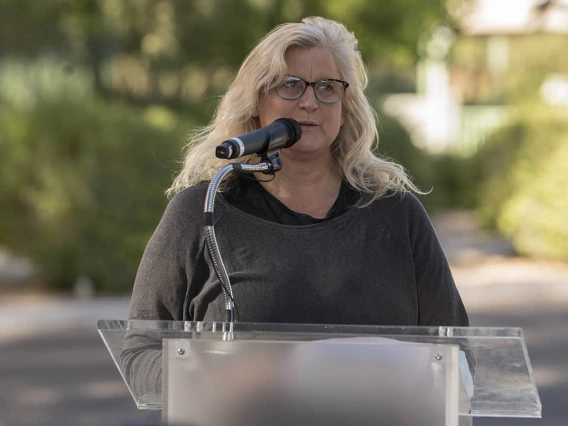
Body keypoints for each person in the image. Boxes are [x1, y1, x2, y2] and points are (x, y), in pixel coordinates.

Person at [128, 16, 469, 328]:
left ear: (345, 107)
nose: (309, 102)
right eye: (290, 85)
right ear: (256, 102)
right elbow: (144, 347)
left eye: (327, 87)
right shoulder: (202, 212)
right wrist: (209, 389)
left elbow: (455, 348)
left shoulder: (397, 214)